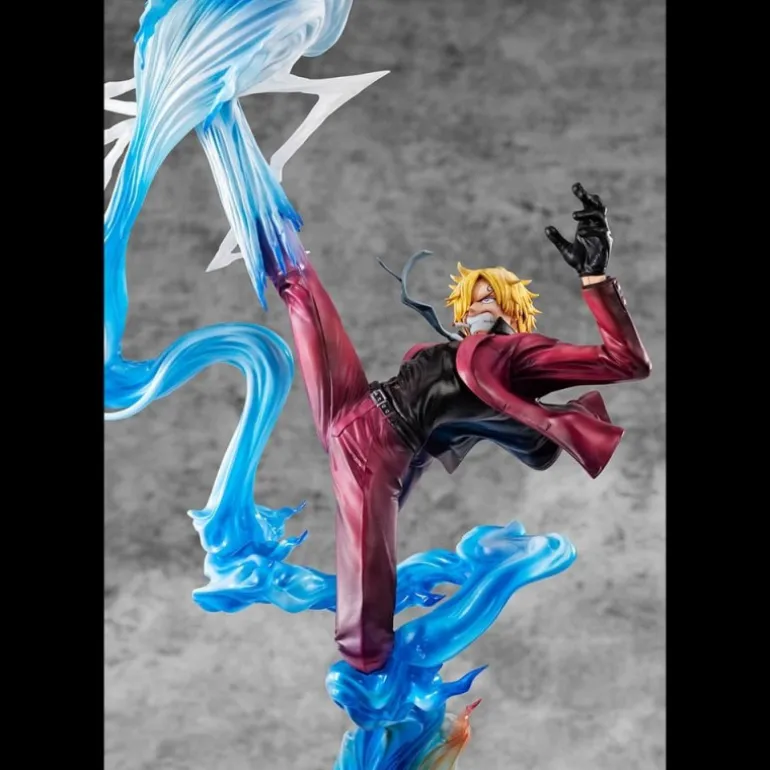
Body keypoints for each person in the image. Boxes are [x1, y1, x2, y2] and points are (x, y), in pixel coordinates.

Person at [265, 183, 651, 673]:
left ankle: (374, 685)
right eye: (471, 301)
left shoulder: (518, 355)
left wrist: (594, 276)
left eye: (489, 300)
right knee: (299, 284)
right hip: (353, 404)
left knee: (363, 640)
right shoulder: (458, 350)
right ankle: (253, 196)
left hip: (378, 448)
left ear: (513, 311)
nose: (475, 308)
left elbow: (625, 362)